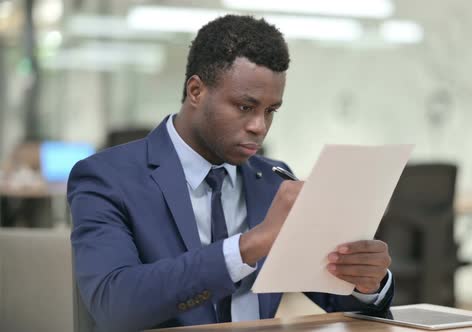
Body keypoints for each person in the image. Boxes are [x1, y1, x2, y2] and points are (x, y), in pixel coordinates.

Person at [68, 15, 394, 332]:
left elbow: (336, 302)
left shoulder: (274, 182)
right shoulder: (106, 178)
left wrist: (365, 282)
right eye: (244, 107)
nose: (259, 126)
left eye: (270, 111)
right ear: (196, 91)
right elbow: (114, 308)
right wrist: (246, 247)